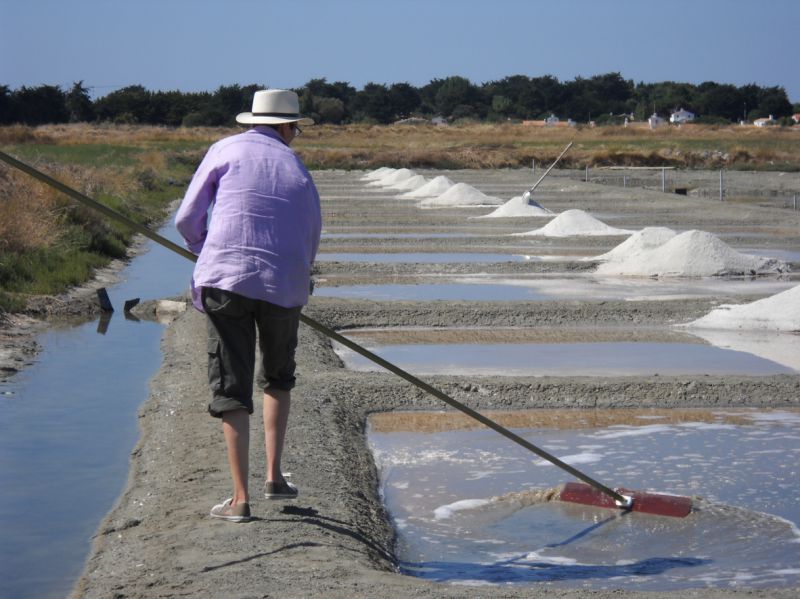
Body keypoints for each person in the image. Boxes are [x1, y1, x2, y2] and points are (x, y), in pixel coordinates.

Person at [176, 89, 321, 522]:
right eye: (295, 128)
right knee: (278, 376)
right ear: (285, 126)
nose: (295, 135)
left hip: (226, 280)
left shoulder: (225, 149)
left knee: (231, 385)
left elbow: (187, 218)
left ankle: (240, 501)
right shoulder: (298, 168)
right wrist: (298, 274)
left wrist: (205, 249)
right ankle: (274, 477)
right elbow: (312, 233)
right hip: (285, 285)